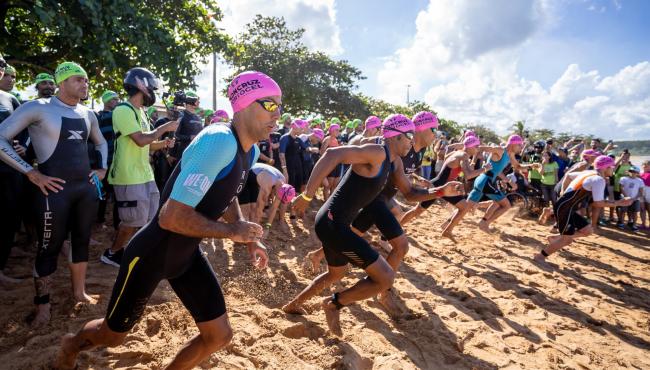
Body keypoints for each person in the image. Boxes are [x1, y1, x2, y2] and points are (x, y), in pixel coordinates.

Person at [55, 70, 277, 370]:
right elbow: (171, 216)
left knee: (218, 336)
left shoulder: (247, 153)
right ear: (246, 104)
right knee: (112, 336)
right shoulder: (219, 140)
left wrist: (248, 236)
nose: (278, 115)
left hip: (186, 254)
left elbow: (228, 192)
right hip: (152, 252)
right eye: (271, 105)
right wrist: (231, 232)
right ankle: (70, 346)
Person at [283, 114, 463, 326]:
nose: (412, 141)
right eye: (409, 136)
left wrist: (441, 191)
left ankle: (294, 304)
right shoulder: (377, 152)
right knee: (385, 277)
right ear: (396, 137)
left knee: (335, 274)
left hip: (336, 225)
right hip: (333, 225)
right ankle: (333, 303)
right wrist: (307, 195)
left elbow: (411, 193)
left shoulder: (394, 163)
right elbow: (332, 154)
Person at [0, 62, 108, 326]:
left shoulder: (87, 113)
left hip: (84, 190)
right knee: (48, 248)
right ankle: (42, 306)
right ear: (61, 82)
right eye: (78, 80)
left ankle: (79, 292)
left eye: (85, 80)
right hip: (52, 190)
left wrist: (102, 169)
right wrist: (30, 172)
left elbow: (101, 141)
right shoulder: (38, 107)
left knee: (81, 241)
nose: (85, 84)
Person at [101, 67, 178, 267]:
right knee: (132, 221)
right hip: (128, 175)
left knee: (150, 218)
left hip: (144, 173)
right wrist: (164, 128)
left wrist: (163, 144)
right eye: (151, 86)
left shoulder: (141, 111)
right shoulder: (122, 110)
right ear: (140, 84)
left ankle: (140, 252)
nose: (153, 90)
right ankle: (112, 253)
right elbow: (140, 140)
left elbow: (149, 144)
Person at [534, 156, 633, 265]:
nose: (613, 169)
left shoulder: (588, 173)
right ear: (605, 167)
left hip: (567, 207)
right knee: (567, 240)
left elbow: (568, 176)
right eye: (612, 167)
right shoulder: (598, 179)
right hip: (565, 208)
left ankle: (555, 238)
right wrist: (620, 202)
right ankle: (540, 256)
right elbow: (598, 203)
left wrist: (564, 193)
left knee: (587, 230)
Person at [401, 135, 492, 240]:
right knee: (417, 211)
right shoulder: (463, 156)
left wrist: (472, 163)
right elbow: (468, 175)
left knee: (465, 207)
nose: (478, 148)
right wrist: (484, 169)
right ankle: (398, 227)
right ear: (470, 146)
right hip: (439, 187)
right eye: (476, 146)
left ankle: (448, 231)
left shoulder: (458, 153)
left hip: (445, 188)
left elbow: (452, 159)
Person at [465, 135, 539, 233]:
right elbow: (480, 148)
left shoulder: (510, 155)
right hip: (485, 180)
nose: (521, 147)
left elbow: (518, 166)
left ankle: (449, 221)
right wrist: (472, 160)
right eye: (519, 145)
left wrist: (531, 166)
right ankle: (485, 223)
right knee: (506, 205)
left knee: (467, 206)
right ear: (513, 144)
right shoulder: (500, 150)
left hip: (485, 180)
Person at [0, 54, 28, 284]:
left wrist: (23, 147)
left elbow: (27, 131)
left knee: (8, 219)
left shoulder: (10, 99)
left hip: (9, 170)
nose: (2, 68)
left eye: (3, 64)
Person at [95, 90, 120, 224]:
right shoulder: (109, 116)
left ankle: (101, 218)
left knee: (106, 191)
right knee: (109, 192)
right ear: (107, 101)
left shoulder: (98, 116)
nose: (118, 102)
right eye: (115, 99)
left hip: (105, 160)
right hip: (109, 159)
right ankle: (106, 219)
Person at [169, 91, 202, 160]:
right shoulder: (181, 115)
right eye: (192, 102)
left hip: (196, 152)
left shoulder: (198, 118)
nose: (195, 105)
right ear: (187, 103)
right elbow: (175, 135)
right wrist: (189, 137)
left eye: (196, 102)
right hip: (183, 152)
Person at [279, 119, 307, 196]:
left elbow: (306, 148)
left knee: (298, 185)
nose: (302, 130)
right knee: (289, 187)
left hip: (298, 166)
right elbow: (281, 155)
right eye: (301, 128)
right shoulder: (285, 138)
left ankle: (294, 204)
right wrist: (284, 170)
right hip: (289, 166)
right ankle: (285, 205)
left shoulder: (298, 139)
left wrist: (312, 149)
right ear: (294, 127)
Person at [620, 166, 644, 231]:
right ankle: (621, 223)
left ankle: (634, 225)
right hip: (625, 198)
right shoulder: (623, 178)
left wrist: (634, 199)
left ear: (637, 173)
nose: (633, 173)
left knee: (635, 212)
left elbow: (641, 192)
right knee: (623, 211)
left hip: (635, 200)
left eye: (635, 172)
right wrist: (626, 197)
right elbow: (621, 188)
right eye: (631, 171)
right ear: (629, 172)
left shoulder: (640, 181)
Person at [640, 160, 650, 230]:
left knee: (649, 210)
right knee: (642, 209)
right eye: (644, 165)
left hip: (649, 192)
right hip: (641, 192)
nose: (645, 166)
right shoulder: (640, 173)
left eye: (647, 165)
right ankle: (643, 224)